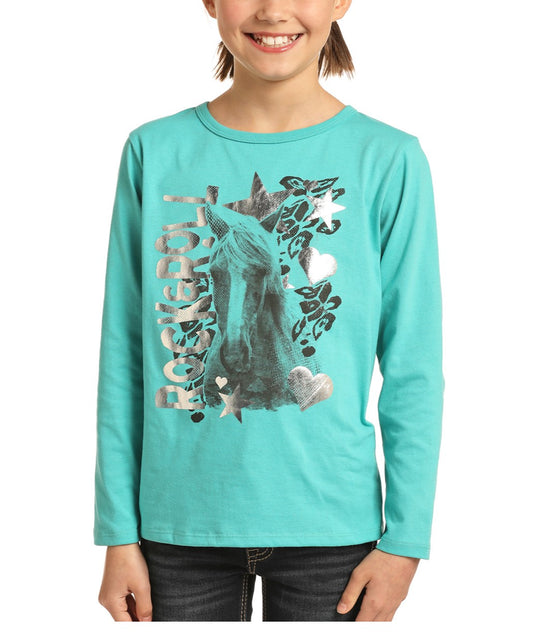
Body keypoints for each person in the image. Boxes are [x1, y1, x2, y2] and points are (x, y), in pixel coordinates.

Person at [94, 0, 445, 622]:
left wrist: (405, 542)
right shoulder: (154, 149)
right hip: (177, 530)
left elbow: (413, 365)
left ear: (340, 1)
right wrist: (117, 531)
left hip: (333, 530)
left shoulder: (388, 159)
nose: (274, 9)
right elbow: (124, 352)